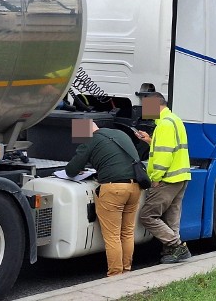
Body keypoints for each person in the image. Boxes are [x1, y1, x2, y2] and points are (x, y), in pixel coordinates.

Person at [65, 120, 141, 276]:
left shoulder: (90, 140)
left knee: (112, 236)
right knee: (127, 232)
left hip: (113, 189)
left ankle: (115, 274)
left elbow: (71, 170)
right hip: (134, 187)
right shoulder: (120, 134)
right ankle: (126, 270)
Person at [135, 92, 192, 264]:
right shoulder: (175, 120)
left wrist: (156, 178)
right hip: (180, 177)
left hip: (167, 179)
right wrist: (150, 140)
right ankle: (172, 252)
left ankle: (177, 246)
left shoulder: (165, 125)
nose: (145, 111)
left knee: (147, 216)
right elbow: (169, 147)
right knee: (172, 218)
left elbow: (164, 154)